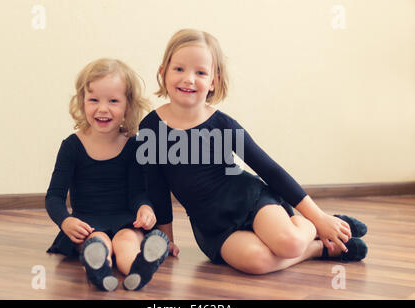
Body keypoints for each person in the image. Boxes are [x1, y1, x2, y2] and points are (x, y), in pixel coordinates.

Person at [137, 29, 368, 274]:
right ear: (163, 72)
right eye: (179, 69)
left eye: (200, 72)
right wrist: (166, 237)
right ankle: (319, 249)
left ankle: (315, 224)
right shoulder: (150, 128)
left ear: (214, 81)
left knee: (289, 244)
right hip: (211, 224)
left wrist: (319, 216)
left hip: (248, 199)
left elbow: (270, 170)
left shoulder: (223, 125)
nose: (189, 79)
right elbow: (157, 187)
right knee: (257, 262)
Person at [46, 58, 169, 291]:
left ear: (128, 106)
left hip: (126, 219)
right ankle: (99, 270)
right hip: (87, 222)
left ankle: (139, 269)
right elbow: (54, 197)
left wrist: (145, 207)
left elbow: (136, 192)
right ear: (82, 103)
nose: (102, 108)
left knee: (126, 242)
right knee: (97, 243)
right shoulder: (72, 147)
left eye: (113, 101)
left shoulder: (132, 145)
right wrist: (66, 221)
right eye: (94, 100)